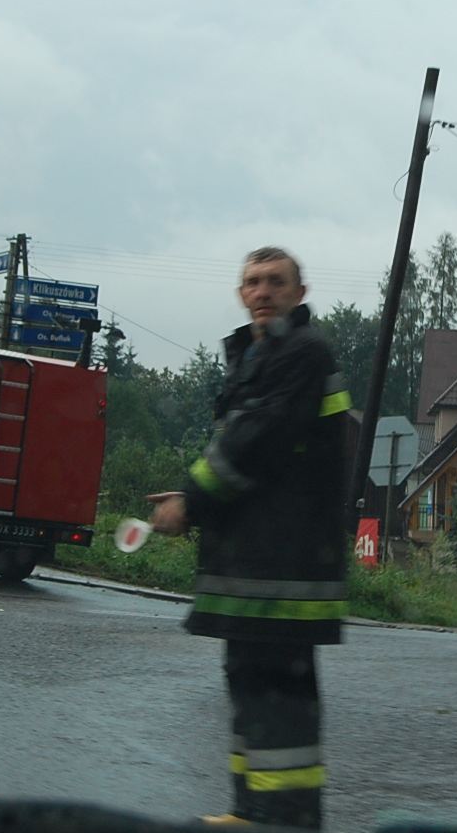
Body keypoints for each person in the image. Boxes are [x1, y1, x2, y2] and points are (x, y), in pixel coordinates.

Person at [145, 247, 349, 830]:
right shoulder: (261, 353)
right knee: (252, 688)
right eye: (253, 282)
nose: (263, 291)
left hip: (281, 567)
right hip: (260, 564)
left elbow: (254, 442)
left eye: (276, 281)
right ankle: (252, 809)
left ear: (299, 292)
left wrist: (191, 502)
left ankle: (283, 819)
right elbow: (249, 452)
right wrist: (199, 500)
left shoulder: (302, 351)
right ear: (240, 294)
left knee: (275, 697)